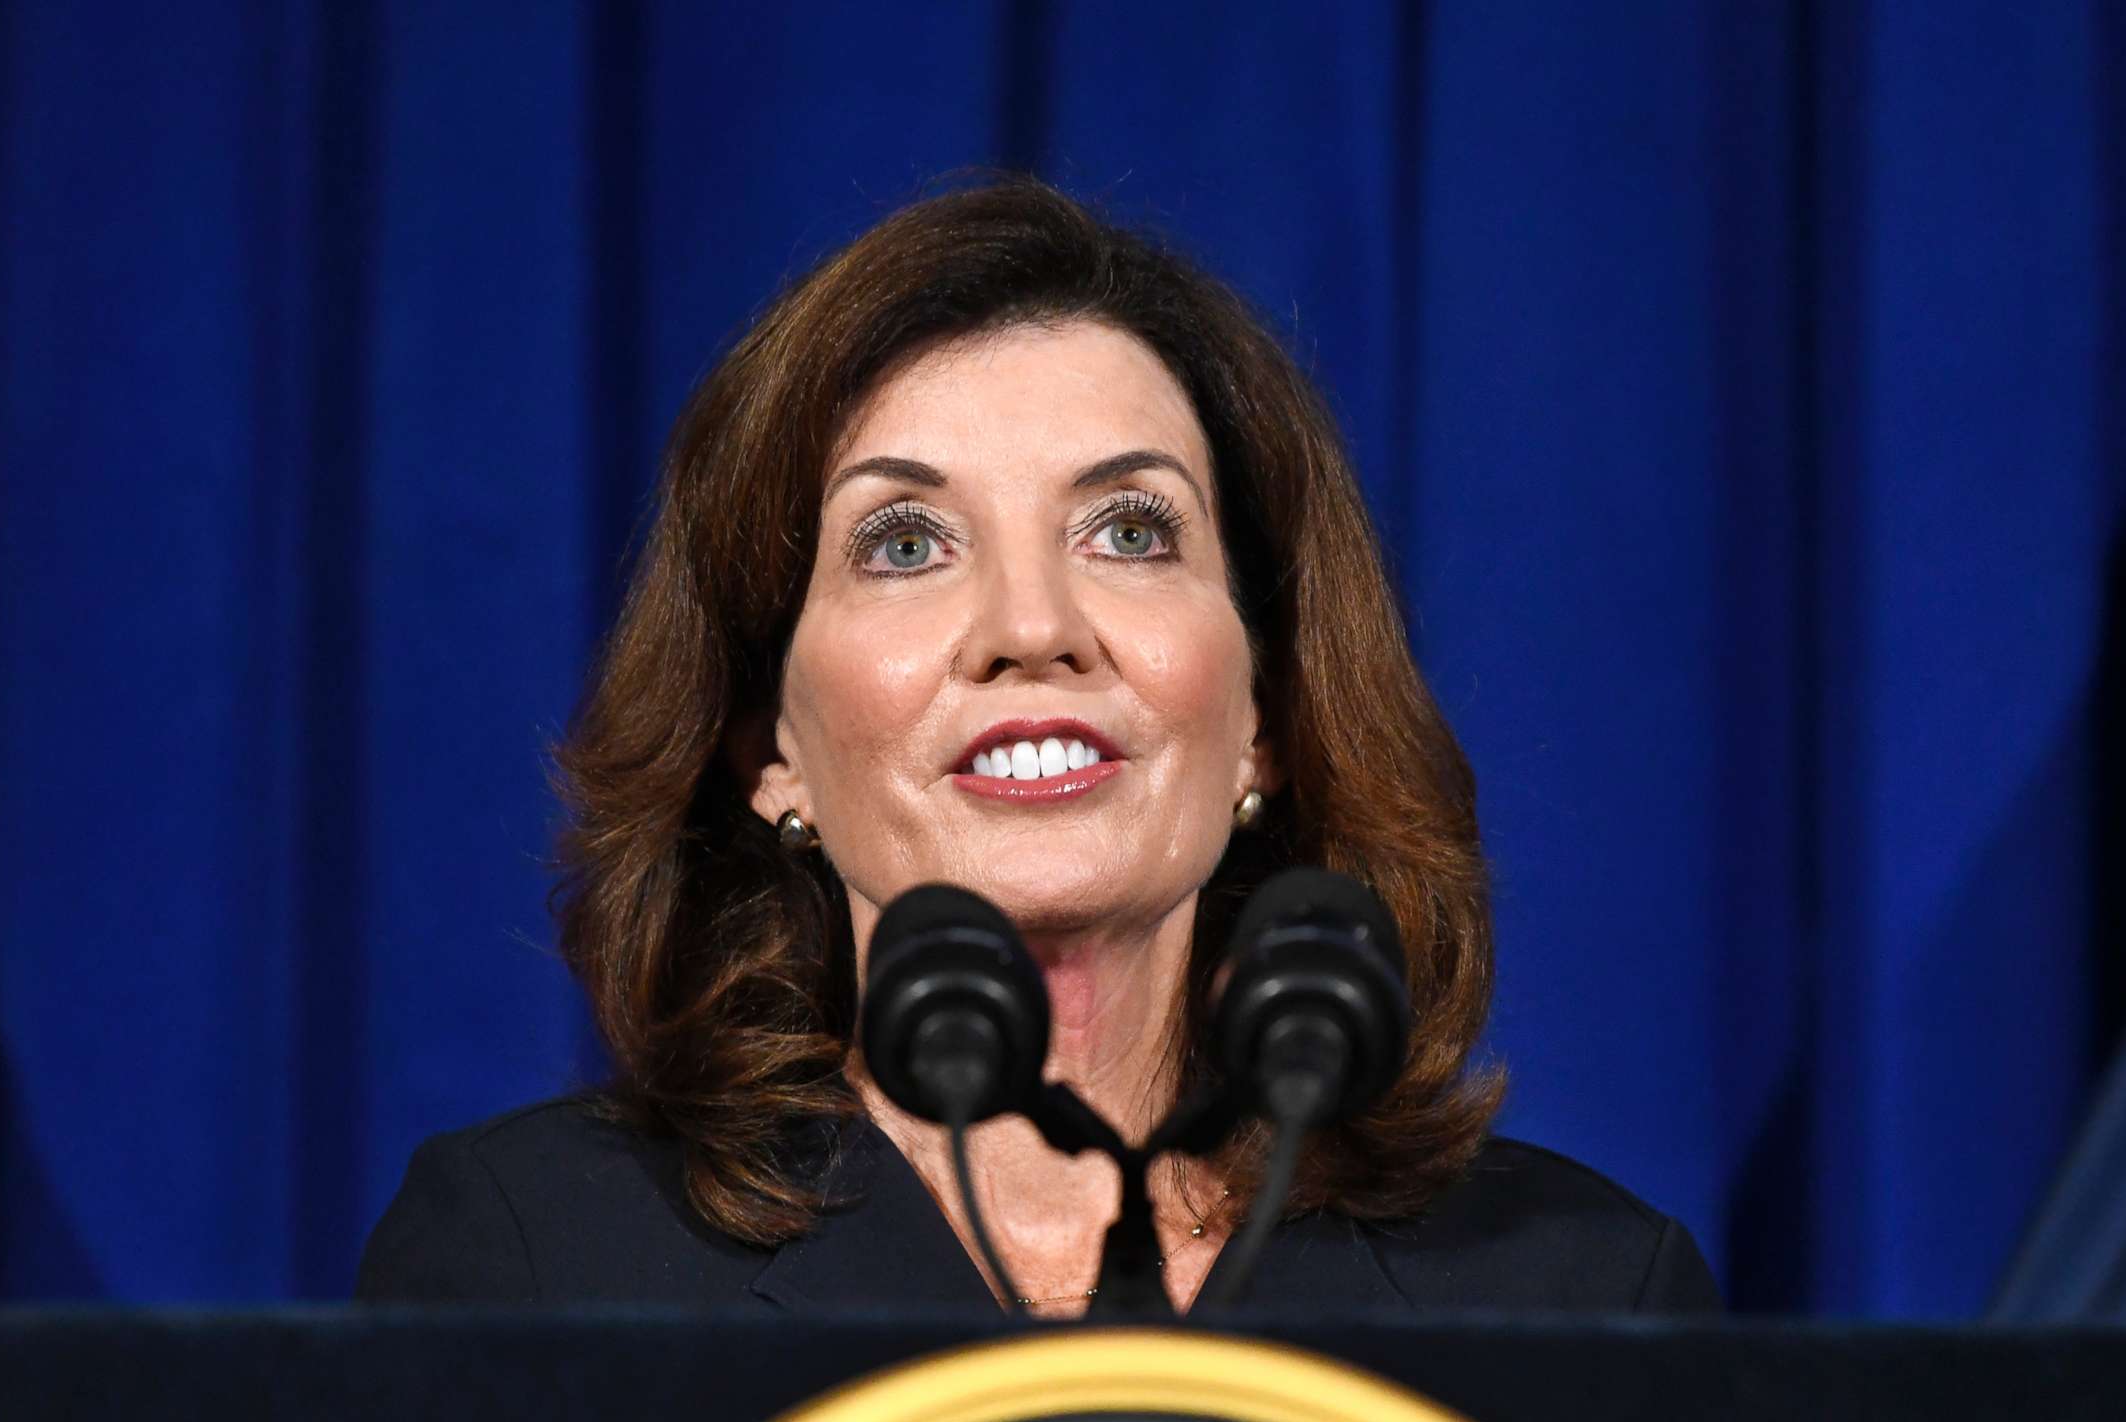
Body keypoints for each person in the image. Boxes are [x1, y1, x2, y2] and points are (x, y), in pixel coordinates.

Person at [357, 178, 1717, 1317]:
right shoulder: (538, 1267)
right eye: (904, 544)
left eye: (1130, 532)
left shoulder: (1578, 1299)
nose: (1030, 627)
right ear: (766, 745)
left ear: (1270, 718)